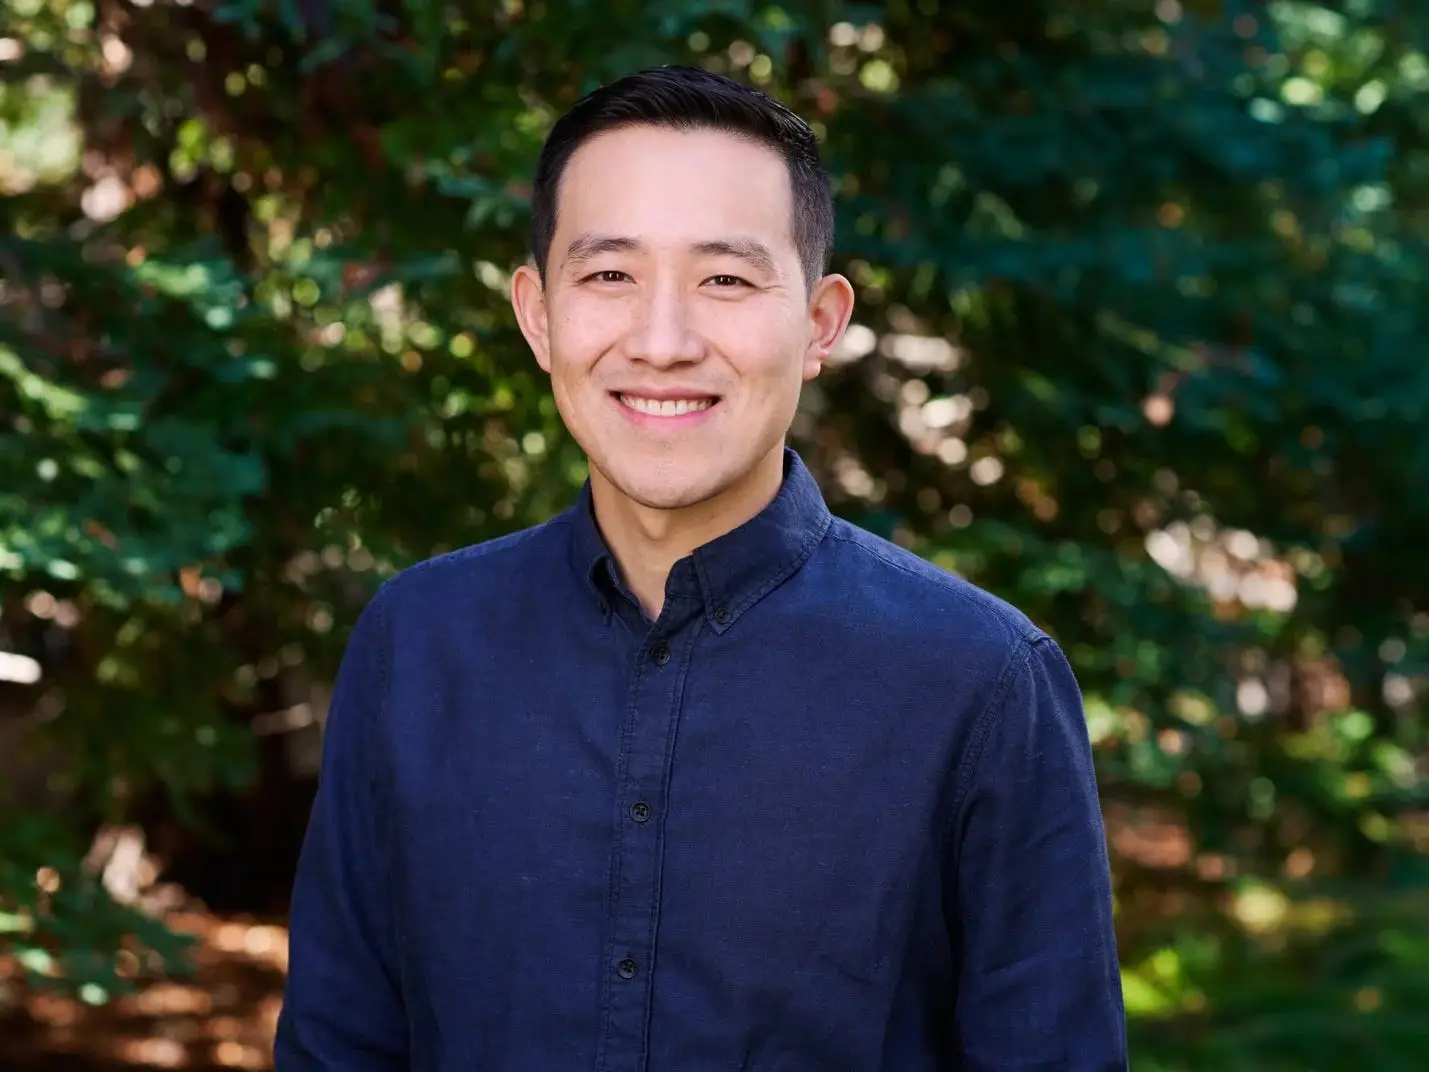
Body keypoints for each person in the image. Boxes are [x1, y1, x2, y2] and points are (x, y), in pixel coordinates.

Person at [275, 65, 1127, 1070]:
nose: (663, 340)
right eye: (608, 275)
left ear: (818, 322)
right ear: (537, 315)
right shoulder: (418, 643)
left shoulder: (981, 681)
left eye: (724, 277)